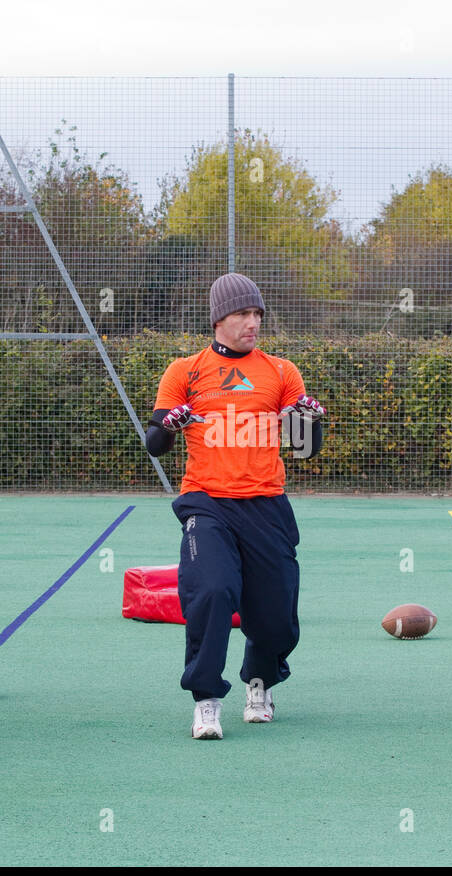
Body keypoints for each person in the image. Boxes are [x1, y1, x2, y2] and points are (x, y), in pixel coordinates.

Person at [145, 273, 324, 739]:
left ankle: (260, 683)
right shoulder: (184, 370)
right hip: (207, 503)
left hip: (267, 506)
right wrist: (172, 423)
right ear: (219, 319)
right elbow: (155, 444)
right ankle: (206, 700)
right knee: (212, 590)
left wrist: (307, 419)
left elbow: (306, 449)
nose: (253, 322)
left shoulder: (282, 371)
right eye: (243, 314)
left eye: (257, 314)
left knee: (277, 617)